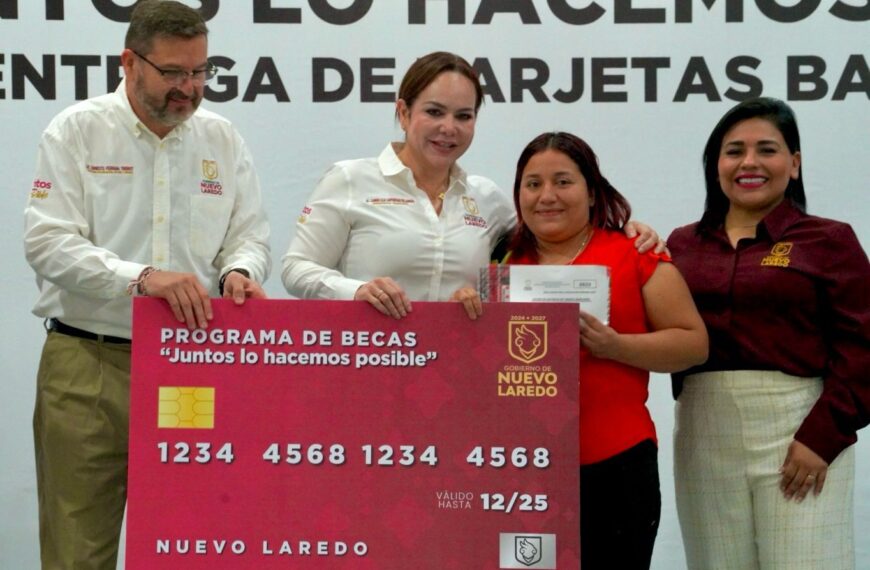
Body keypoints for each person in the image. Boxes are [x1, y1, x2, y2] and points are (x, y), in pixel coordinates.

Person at [23, 1, 271, 568]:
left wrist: (240, 272)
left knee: (191, 545)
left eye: (200, 72)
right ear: (129, 63)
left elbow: (250, 237)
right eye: (174, 73)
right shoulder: (77, 131)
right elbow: (47, 243)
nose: (189, 88)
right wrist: (140, 278)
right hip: (88, 367)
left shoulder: (222, 139)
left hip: (194, 367)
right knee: (75, 551)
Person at [282, 52, 661, 317]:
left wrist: (621, 227)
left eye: (463, 116)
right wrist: (356, 291)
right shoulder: (351, 179)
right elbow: (296, 269)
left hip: (458, 380)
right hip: (370, 367)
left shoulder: (487, 198)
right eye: (434, 112)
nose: (449, 128)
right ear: (403, 112)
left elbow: (552, 231)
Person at [668, 97, 869, 570]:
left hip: (801, 430)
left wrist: (824, 435)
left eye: (767, 149)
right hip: (703, 429)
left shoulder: (829, 240)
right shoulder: (680, 244)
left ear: (794, 163)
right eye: (734, 150)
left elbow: (863, 346)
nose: (750, 163)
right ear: (715, 164)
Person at [503, 132, 708, 569]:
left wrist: (616, 346)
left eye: (563, 181)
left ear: (593, 192)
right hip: (517, 468)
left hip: (616, 463)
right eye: (532, 184)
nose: (547, 196)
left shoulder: (635, 253)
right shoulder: (498, 263)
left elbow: (693, 344)